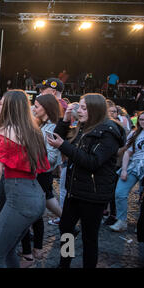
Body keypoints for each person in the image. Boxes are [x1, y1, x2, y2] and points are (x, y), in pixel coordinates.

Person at [49, 93, 126, 268]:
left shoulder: (108, 132)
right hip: (75, 191)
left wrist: (64, 146)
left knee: (89, 238)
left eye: (84, 108)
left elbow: (93, 162)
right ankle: (64, 264)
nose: (79, 111)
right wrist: (65, 119)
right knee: (66, 229)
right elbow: (57, 138)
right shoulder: (84, 127)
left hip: (94, 195)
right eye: (79, 107)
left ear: (95, 109)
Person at [0, 90, 50, 268]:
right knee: (8, 249)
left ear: (9, 107)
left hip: (20, 199)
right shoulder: (34, 130)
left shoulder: (6, 131)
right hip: (36, 195)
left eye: (2, 103)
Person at [20, 93, 63, 267]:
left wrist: (30, 158)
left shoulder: (53, 128)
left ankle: (31, 254)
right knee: (37, 211)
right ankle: (33, 251)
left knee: (34, 212)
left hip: (39, 173)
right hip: (35, 173)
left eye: (37, 105)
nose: (34, 108)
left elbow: (52, 159)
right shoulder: (42, 124)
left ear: (46, 108)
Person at [110, 111, 144, 232]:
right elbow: (127, 152)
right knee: (120, 192)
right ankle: (121, 221)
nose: (142, 122)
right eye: (141, 120)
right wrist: (124, 169)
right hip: (134, 166)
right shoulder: (135, 133)